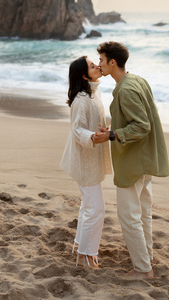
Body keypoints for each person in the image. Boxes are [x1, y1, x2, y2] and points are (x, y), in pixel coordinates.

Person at [93, 41, 169, 280]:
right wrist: (113, 127)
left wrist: (113, 134)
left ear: (112, 62)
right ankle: (147, 256)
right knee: (143, 212)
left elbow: (142, 125)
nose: (99, 65)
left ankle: (143, 269)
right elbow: (137, 119)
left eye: (102, 61)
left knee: (128, 215)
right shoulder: (136, 80)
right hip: (144, 158)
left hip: (133, 161)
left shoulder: (125, 89)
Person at [60, 56, 112, 269]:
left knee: (88, 206)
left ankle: (80, 248)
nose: (98, 66)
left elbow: (94, 121)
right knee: (96, 209)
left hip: (89, 158)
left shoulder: (93, 92)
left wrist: (102, 131)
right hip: (84, 161)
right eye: (92, 66)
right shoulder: (81, 99)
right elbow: (77, 129)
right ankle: (86, 255)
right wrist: (91, 137)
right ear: (84, 75)